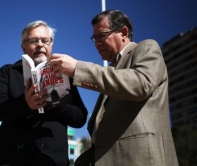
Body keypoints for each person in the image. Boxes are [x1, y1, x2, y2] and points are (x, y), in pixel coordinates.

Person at [49, 10, 179, 166]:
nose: (97, 43)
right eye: (94, 38)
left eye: (102, 35)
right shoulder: (112, 71)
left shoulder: (146, 47)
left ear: (123, 32)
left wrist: (78, 69)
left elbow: (141, 84)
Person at [0, 20, 88, 166]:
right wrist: (24, 103)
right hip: (14, 160)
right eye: (34, 40)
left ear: (51, 45)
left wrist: (58, 104)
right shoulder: (7, 72)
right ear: (23, 47)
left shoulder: (65, 74)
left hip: (54, 161)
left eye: (45, 41)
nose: (40, 44)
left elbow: (80, 118)